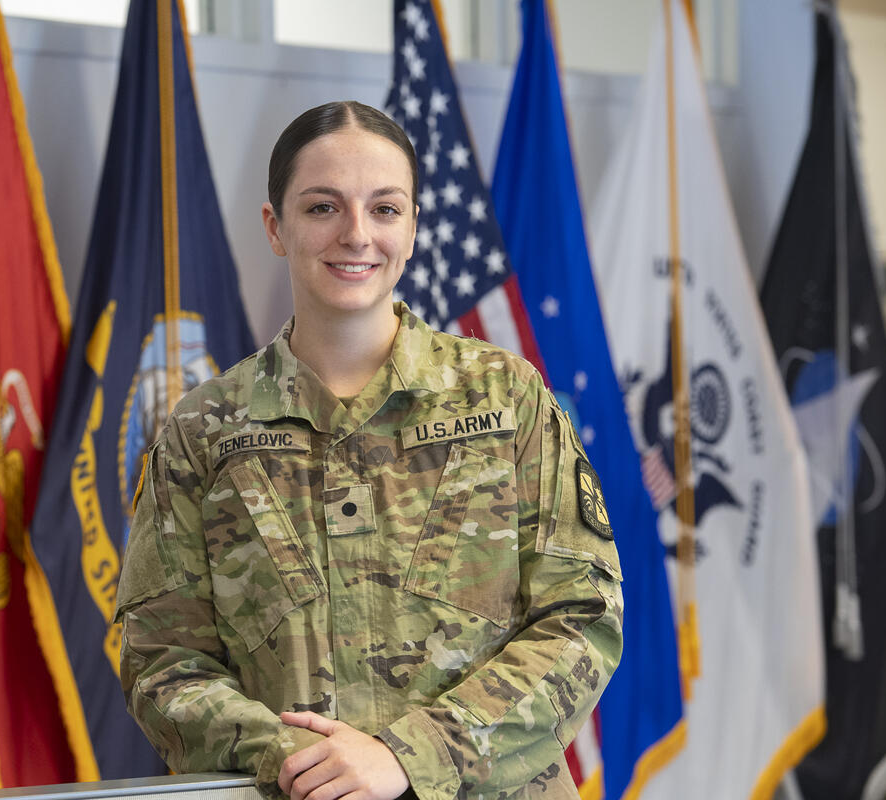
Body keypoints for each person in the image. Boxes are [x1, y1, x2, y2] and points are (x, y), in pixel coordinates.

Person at [115, 100, 623, 800]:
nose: (356, 235)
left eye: (385, 209)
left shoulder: (506, 399)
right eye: (322, 207)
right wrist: (302, 762)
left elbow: (582, 617)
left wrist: (408, 757)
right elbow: (161, 660)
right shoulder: (205, 430)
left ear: (413, 227)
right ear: (275, 226)